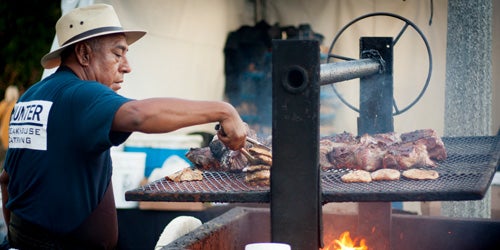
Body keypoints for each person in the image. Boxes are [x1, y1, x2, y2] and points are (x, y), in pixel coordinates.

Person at [0, 4, 247, 250]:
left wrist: (16, 239)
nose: (127, 66)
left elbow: (6, 179)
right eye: (118, 54)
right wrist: (222, 110)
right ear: (84, 54)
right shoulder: (81, 94)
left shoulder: (31, 97)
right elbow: (139, 115)